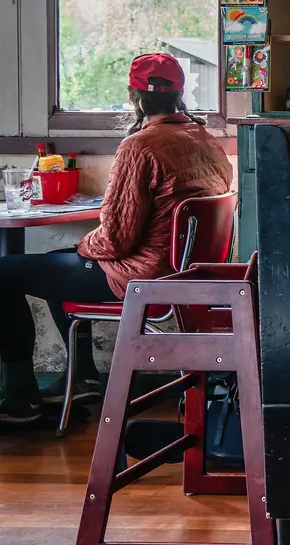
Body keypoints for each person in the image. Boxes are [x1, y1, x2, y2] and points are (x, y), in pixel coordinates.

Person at [0, 53, 233, 426]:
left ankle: (20, 398)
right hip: (179, 273)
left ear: (134, 96)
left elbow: (115, 241)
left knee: (7, 272)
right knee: (58, 264)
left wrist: (84, 247)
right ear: (179, 94)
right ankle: (83, 379)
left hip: (138, 278)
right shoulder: (205, 139)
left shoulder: (140, 146)